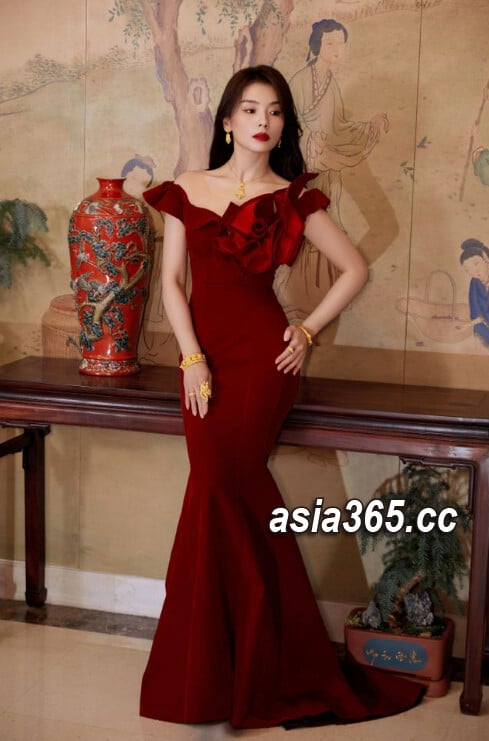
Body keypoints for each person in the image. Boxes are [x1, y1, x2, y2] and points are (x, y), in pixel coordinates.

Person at [140, 64, 423, 730]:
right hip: (202, 358)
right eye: (249, 108)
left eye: (274, 111)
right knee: (220, 493)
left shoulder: (293, 198)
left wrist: (307, 328)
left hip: (264, 362)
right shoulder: (187, 188)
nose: (262, 120)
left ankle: (223, 673)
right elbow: (172, 284)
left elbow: (354, 268)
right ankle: (244, 663)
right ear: (227, 121)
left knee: (220, 490)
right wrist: (190, 358)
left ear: (283, 124)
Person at [289, 19, 388, 234]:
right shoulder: (300, 81)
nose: (337, 49)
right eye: (330, 43)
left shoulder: (331, 84)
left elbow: (338, 125)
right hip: (304, 159)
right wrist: (311, 136)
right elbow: (289, 121)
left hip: (325, 155)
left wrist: (368, 126)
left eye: (341, 43)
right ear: (317, 45)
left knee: (331, 200)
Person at [460, 238, 489, 347]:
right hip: (482, 330)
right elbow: (475, 308)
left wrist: (469, 324)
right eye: (468, 270)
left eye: (476, 264)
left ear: (485, 258)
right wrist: (470, 324)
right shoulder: (474, 282)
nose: (474, 271)